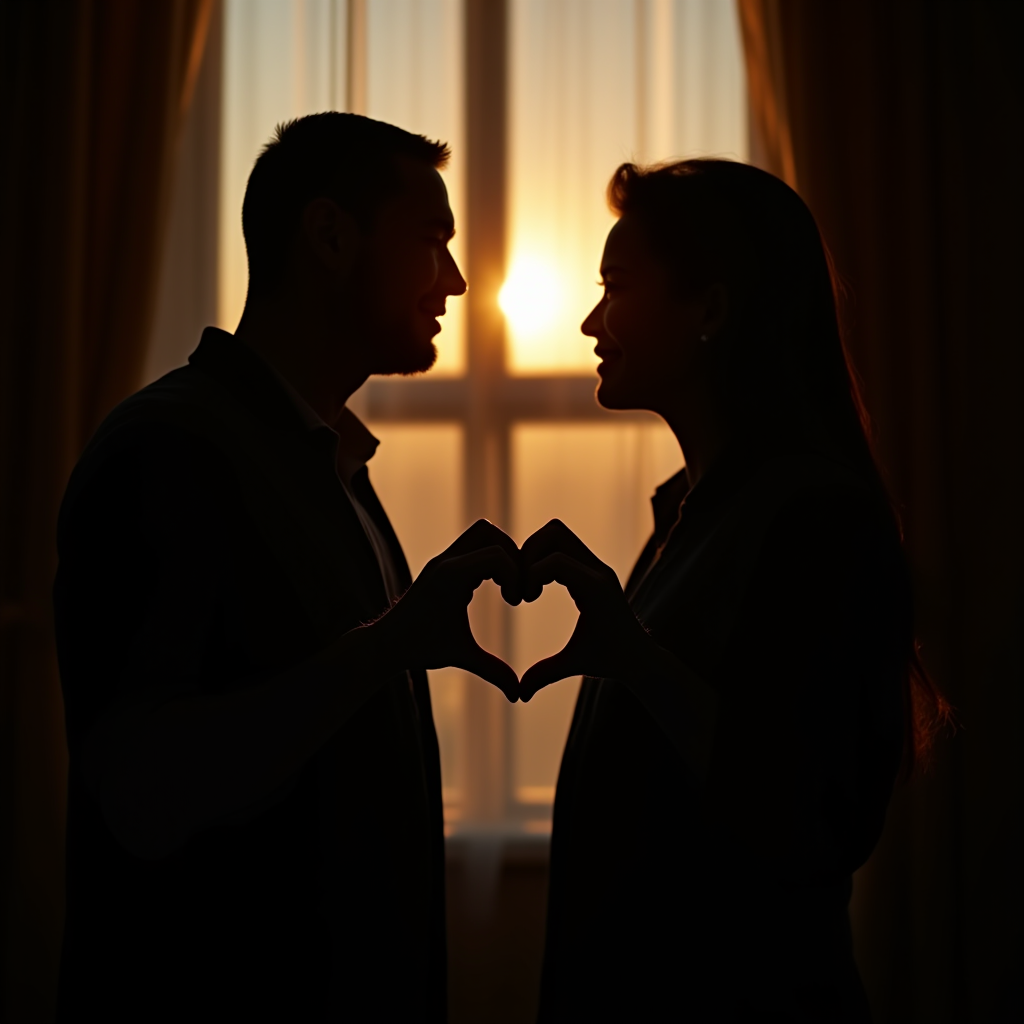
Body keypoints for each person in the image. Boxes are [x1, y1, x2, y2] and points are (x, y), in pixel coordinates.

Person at [54, 113, 521, 1022]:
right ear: (331, 236)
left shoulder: (327, 463)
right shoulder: (168, 449)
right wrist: (386, 650)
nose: (457, 282)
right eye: (432, 242)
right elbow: (143, 792)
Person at [518, 159, 948, 1022]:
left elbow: (811, 818)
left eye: (617, 287)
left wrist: (636, 661)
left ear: (710, 309)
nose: (591, 320)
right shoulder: (694, 515)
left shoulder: (814, 520)